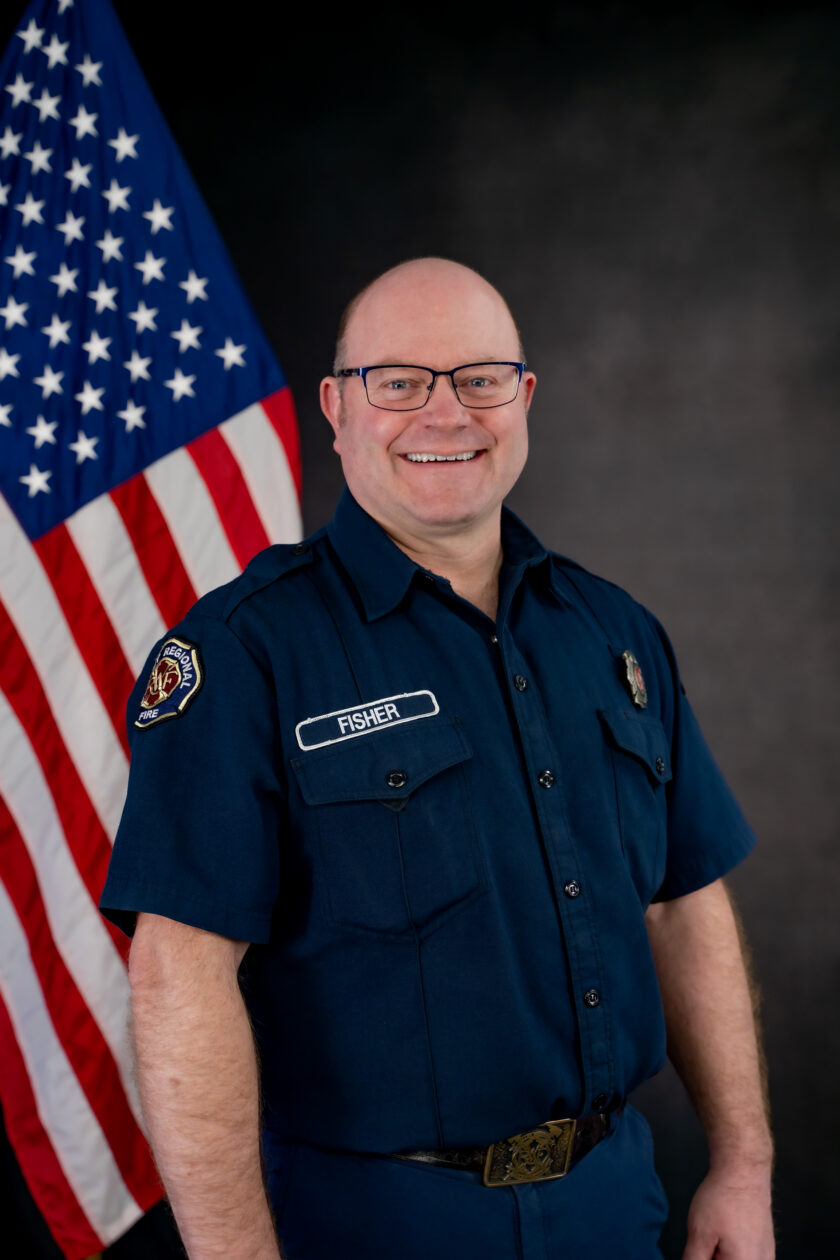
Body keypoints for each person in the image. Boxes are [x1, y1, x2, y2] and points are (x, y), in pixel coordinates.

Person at [100, 258, 774, 1259]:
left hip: (614, 1201)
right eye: (400, 380)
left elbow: (684, 906)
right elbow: (180, 975)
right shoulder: (246, 654)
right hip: (372, 1221)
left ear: (524, 396)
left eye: (478, 378)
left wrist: (742, 1166)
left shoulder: (615, 632)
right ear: (336, 408)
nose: (445, 412)